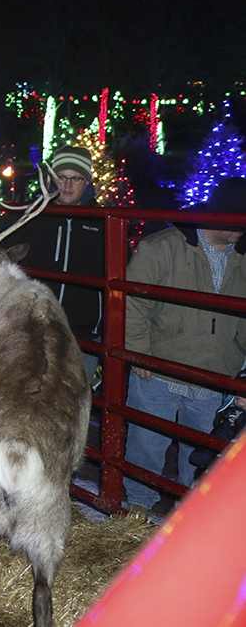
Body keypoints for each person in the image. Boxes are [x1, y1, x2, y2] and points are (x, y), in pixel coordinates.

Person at [123, 176, 246, 516]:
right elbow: (134, 302)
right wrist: (138, 351)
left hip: (215, 374)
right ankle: (137, 510)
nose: (239, 228)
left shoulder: (243, 255)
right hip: (160, 367)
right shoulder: (162, 247)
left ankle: (190, 518)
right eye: (234, 217)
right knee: (147, 444)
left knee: (203, 453)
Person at [0, 145, 104, 385]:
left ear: (86, 182)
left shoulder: (104, 222)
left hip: (81, 335)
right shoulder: (27, 216)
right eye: (61, 177)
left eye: (75, 178)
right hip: (31, 331)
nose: (66, 185)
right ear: (50, 179)